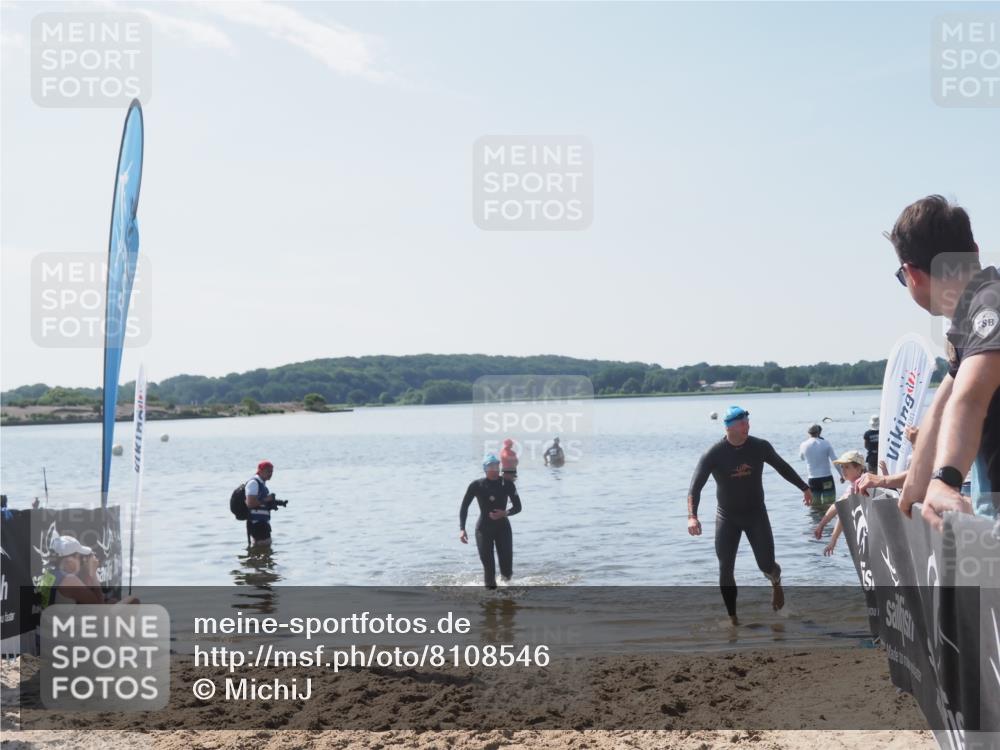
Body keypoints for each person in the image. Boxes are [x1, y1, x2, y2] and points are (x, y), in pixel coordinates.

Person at [886, 195, 1000, 527]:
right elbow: (945, 401)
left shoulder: (989, 305)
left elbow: (970, 398)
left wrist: (945, 481)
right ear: (975, 251)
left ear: (911, 274)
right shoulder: (972, 316)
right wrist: (914, 487)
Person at [687, 406, 813, 625]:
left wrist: (804, 487)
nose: (748, 426)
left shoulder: (759, 447)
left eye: (748, 422)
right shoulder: (714, 454)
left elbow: (782, 467)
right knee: (725, 568)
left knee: (766, 564)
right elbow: (694, 488)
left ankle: (775, 581)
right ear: (730, 427)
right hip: (727, 517)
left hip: (756, 515)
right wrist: (692, 516)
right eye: (743, 423)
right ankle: (733, 618)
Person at [459, 454, 522, 589]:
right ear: (485, 468)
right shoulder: (476, 485)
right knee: (489, 567)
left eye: (496, 466)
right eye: (491, 466)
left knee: (507, 570)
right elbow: (464, 507)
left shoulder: (507, 484)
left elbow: (518, 507)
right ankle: (490, 600)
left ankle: (507, 597)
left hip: (503, 529)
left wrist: (505, 513)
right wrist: (462, 528)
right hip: (483, 529)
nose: (494, 469)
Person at [813, 451, 870, 555]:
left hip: (867, 536)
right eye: (842, 467)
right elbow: (839, 507)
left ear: (858, 468)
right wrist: (822, 525)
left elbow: (840, 510)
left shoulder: (858, 485)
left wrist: (832, 539)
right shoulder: (859, 483)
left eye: (847, 467)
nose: (843, 470)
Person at [799, 424, 843, 507]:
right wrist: (842, 475)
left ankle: (816, 519)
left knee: (815, 505)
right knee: (830, 504)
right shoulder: (825, 443)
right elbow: (835, 460)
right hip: (826, 479)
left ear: (808, 433)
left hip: (813, 480)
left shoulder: (803, 445)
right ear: (818, 432)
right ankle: (829, 520)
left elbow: (801, 458)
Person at [245, 460, 278, 547]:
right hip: (257, 523)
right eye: (268, 471)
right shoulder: (254, 483)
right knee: (264, 545)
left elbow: (261, 502)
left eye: (271, 471)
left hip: (262, 522)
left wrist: (272, 504)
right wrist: (267, 499)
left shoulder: (262, 484)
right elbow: (250, 503)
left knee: (264, 548)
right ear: (260, 471)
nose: (270, 474)